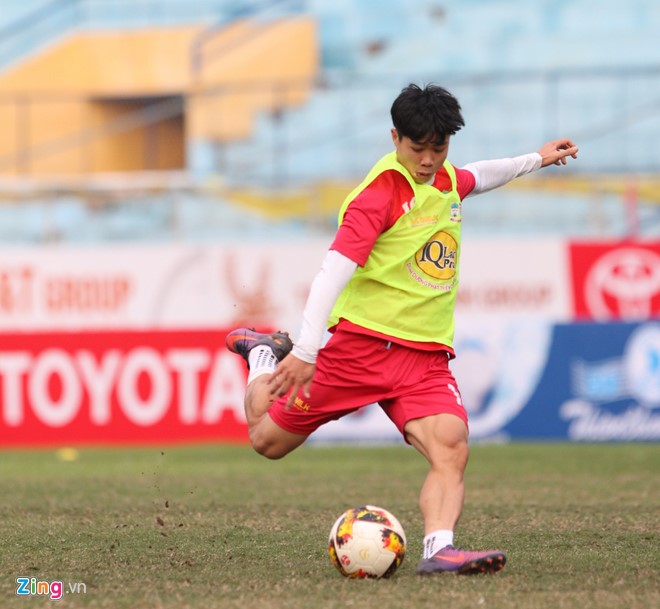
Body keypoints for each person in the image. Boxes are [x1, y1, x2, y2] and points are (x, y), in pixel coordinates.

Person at [226, 83, 578, 575]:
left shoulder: (446, 181)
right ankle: (262, 355)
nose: (430, 160)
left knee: (451, 444)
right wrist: (304, 350)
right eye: (419, 148)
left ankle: (438, 550)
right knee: (266, 440)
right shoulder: (378, 196)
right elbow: (332, 271)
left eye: (440, 148)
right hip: (361, 348)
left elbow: (480, 174)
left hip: (423, 359)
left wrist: (536, 159)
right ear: (396, 137)